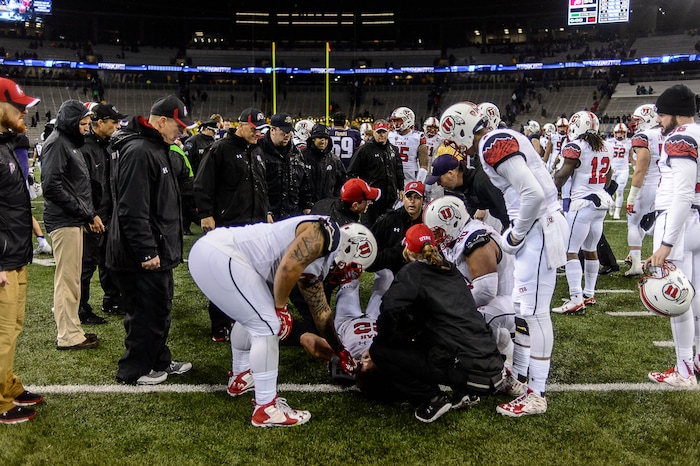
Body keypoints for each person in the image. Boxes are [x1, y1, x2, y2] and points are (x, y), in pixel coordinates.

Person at [439, 102, 567, 417]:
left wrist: (515, 234)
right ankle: (520, 377)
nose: (453, 140)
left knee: (535, 315)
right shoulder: (499, 137)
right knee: (525, 312)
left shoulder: (491, 143)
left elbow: (533, 193)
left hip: (538, 228)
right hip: (539, 227)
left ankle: (536, 393)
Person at [188, 217, 377, 427]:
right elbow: (288, 267)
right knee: (269, 325)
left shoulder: (317, 260)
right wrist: (280, 308)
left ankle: (240, 377)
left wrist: (339, 351)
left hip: (219, 256)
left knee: (255, 318)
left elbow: (322, 314)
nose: (346, 276)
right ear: (351, 248)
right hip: (221, 254)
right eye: (351, 269)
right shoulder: (326, 232)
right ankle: (266, 409)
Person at [360, 224, 504, 423]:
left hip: (464, 368)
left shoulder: (413, 272)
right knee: (435, 334)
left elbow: (389, 310)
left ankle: (433, 398)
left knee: (380, 350)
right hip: (491, 366)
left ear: (408, 249)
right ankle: (465, 392)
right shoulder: (451, 269)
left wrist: (388, 340)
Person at [107, 95, 193, 385]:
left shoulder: (154, 148)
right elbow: (133, 208)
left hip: (158, 247)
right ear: (162, 121)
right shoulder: (140, 151)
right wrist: (146, 251)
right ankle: (134, 369)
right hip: (141, 254)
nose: (181, 132)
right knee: (145, 312)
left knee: (159, 308)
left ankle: (158, 360)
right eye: (178, 126)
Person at [194, 107, 270, 342]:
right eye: (255, 129)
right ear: (241, 126)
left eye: (261, 129)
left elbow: (260, 184)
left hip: (254, 224)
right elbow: (202, 184)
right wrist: (206, 214)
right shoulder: (220, 149)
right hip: (229, 224)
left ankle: (243, 320)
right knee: (223, 276)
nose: (258, 133)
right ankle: (219, 325)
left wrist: (266, 211)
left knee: (251, 277)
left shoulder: (256, 150)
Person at [645, 84, 700, 387]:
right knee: (698, 296)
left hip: (678, 223)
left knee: (678, 299)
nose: (660, 121)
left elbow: (681, 193)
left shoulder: (680, 137)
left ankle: (684, 370)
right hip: (697, 220)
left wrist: (666, 243)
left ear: (678, 114)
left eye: (663, 114)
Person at [423, 195, 516, 365]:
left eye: (437, 232)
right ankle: (505, 349)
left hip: (511, 303)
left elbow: (485, 291)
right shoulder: (461, 236)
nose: (436, 238)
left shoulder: (476, 241)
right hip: (498, 303)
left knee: (461, 320)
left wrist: (449, 307)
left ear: (452, 222)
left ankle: (491, 363)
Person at [42, 100, 103, 350]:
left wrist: (85, 214)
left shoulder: (66, 143)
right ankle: (68, 335)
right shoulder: (58, 144)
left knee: (72, 279)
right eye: (83, 123)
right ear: (70, 122)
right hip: (64, 220)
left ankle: (73, 329)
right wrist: (85, 213)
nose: (87, 128)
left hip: (72, 219)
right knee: (67, 280)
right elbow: (51, 187)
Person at [0, 77, 44, 424]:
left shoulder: (5, 146)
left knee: (12, 327)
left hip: (15, 253)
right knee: (1, 332)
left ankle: (6, 384)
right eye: (17, 106)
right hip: (3, 257)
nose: (24, 112)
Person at [552, 111, 613, 315]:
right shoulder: (606, 146)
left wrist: (551, 183)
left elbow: (561, 177)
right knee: (590, 248)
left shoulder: (576, 146)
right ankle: (589, 292)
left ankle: (576, 298)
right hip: (599, 203)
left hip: (581, 204)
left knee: (570, 251)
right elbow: (609, 174)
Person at [80, 102, 126, 320]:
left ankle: (113, 300)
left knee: (111, 260)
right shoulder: (85, 147)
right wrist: (90, 214)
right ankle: (81, 308)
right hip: (93, 215)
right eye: (114, 122)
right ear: (100, 123)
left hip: (110, 213)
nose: (118, 126)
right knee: (86, 264)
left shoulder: (111, 146)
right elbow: (83, 186)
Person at [364, 180, 426, 318]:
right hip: (390, 268)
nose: (412, 201)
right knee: (385, 281)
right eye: (409, 197)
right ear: (403, 198)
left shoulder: (428, 221)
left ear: (423, 200)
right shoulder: (390, 219)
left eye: (417, 197)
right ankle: (371, 320)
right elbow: (372, 247)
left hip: (419, 270)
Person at [425, 154, 509, 232]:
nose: (438, 184)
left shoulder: (482, 181)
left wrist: (513, 235)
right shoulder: (465, 183)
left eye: (439, 180)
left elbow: (506, 210)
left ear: (451, 174)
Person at [625, 104, 663, 277]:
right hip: (664, 185)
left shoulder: (644, 136)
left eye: (638, 120)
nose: (635, 124)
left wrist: (632, 196)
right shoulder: (666, 134)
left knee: (633, 223)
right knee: (658, 223)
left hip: (647, 185)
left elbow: (640, 169)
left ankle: (636, 264)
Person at [347, 119, 404, 227]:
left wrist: (401, 188)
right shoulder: (364, 150)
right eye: (379, 132)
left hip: (390, 198)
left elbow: (398, 170)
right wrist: (360, 193)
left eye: (384, 132)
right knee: (369, 229)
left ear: (388, 132)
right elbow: (351, 173)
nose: (381, 135)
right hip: (371, 199)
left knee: (388, 228)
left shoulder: (393, 149)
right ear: (374, 132)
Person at [260, 112, 314, 221]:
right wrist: (265, 210)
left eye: (289, 132)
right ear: (272, 130)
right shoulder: (258, 150)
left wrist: (307, 205)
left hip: (291, 214)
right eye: (283, 132)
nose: (287, 135)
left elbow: (304, 181)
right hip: (267, 215)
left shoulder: (296, 152)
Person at [301, 123, 347, 203]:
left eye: (326, 138)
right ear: (313, 139)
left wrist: (335, 199)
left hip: (328, 205)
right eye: (320, 138)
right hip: (305, 208)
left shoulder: (334, 160)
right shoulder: (301, 157)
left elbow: (342, 182)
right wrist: (305, 203)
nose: (323, 141)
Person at [388, 106, 429, 184]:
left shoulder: (418, 137)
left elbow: (424, 165)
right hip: (391, 172)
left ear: (408, 119)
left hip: (409, 175)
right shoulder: (389, 135)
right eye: (394, 121)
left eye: (398, 121)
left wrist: (419, 183)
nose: (395, 124)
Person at [607, 123, 632, 220]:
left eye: (622, 133)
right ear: (614, 133)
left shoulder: (629, 143)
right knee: (609, 192)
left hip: (623, 169)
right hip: (612, 169)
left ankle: (617, 211)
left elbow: (632, 156)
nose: (620, 135)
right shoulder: (609, 142)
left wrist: (634, 165)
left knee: (620, 191)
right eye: (618, 133)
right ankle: (612, 205)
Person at [422, 116, 443, 201]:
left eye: (435, 128)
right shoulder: (419, 137)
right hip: (421, 170)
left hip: (433, 171)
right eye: (430, 127)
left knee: (433, 195)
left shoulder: (441, 139)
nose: (432, 130)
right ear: (425, 126)